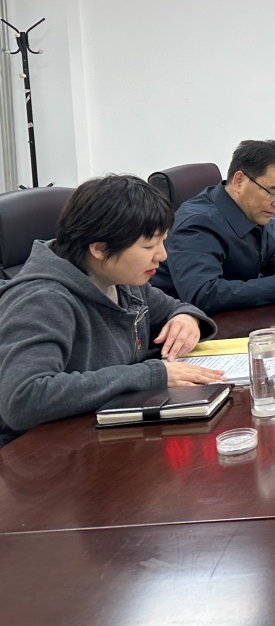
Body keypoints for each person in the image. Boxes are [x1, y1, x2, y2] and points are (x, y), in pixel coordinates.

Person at [0, 175, 222, 448]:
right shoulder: (42, 300)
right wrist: (150, 375)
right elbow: (23, 398)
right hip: (45, 451)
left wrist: (186, 318)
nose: (162, 255)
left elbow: (174, 307)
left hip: (108, 429)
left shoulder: (122, 279)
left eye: (163, 241)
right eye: (149, 246)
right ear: (100, 248)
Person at [153, 140, 275, 314]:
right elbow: (203, 295)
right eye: (273, 193)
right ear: (239, 181)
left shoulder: (252, 208)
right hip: (188, 323)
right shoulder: (197, 225)